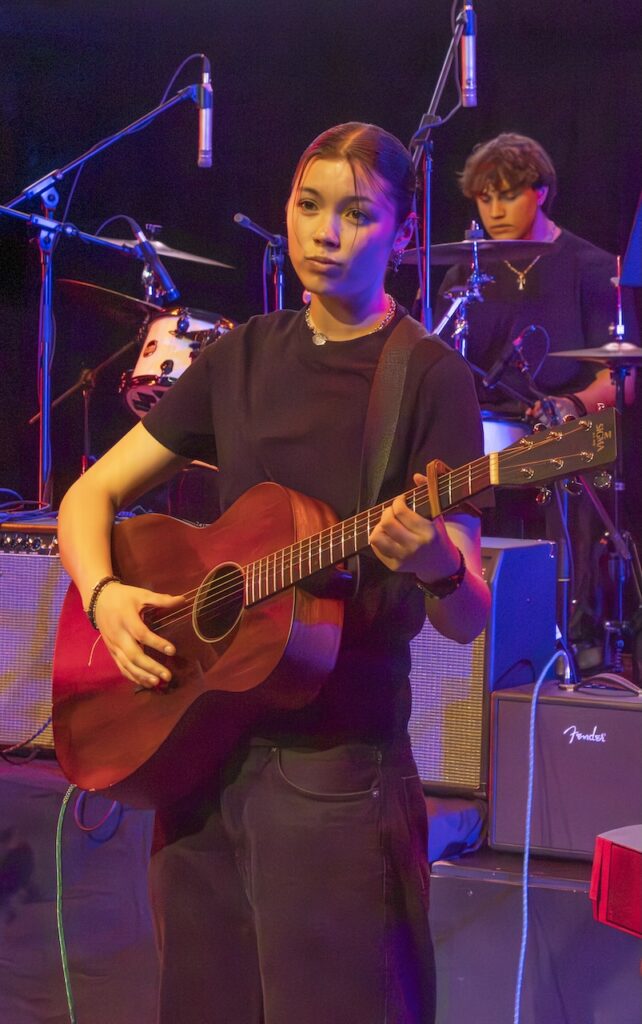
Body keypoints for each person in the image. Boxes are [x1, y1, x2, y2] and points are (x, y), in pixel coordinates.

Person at [58, 122, 491, 1024]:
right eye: (308, 206)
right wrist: (105, 597)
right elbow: (88, 498)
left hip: (337, 773)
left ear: (403, 235)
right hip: (200, 754)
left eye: (356, 214)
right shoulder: (241, 354)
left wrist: (440, 564)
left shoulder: (428, 378)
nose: (323, 232)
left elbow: (468, 616)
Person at [435, 132, 637, 425]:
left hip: (566, 440)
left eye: (508, 196)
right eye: (485, 199)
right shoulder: (463, 277)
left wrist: (572, 405)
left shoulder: (594, 269)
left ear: (540, 192)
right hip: (480, 436)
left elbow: (622, 380)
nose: (495, 212)